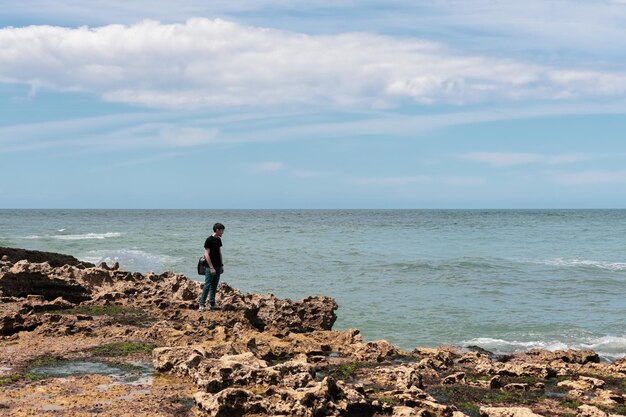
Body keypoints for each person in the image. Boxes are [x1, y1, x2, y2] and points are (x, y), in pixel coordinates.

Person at [198, 222, 225, 311]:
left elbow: (219, 253)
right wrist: (211, 267)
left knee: (214, 285)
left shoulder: (218, 240)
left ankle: (212, 303)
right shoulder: (209, 240)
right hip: (210, 267)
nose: (223, 232)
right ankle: (201, 304)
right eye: (222, 230)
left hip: (218, 266)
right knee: (207, 285)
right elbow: (206, 254)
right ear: (217, 230)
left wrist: (221, 265)